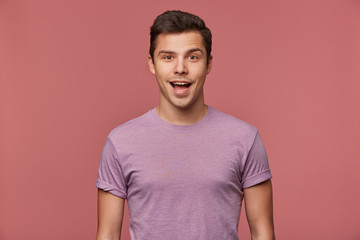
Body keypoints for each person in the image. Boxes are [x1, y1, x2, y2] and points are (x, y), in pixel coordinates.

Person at [96, 10, 275, 240]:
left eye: (192, 57)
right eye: (168, 57)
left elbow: (263, 233)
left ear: (209, 63)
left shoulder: (246, 139)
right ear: (152, 63)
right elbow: (108, 235)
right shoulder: (120, 143)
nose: (180, 68)